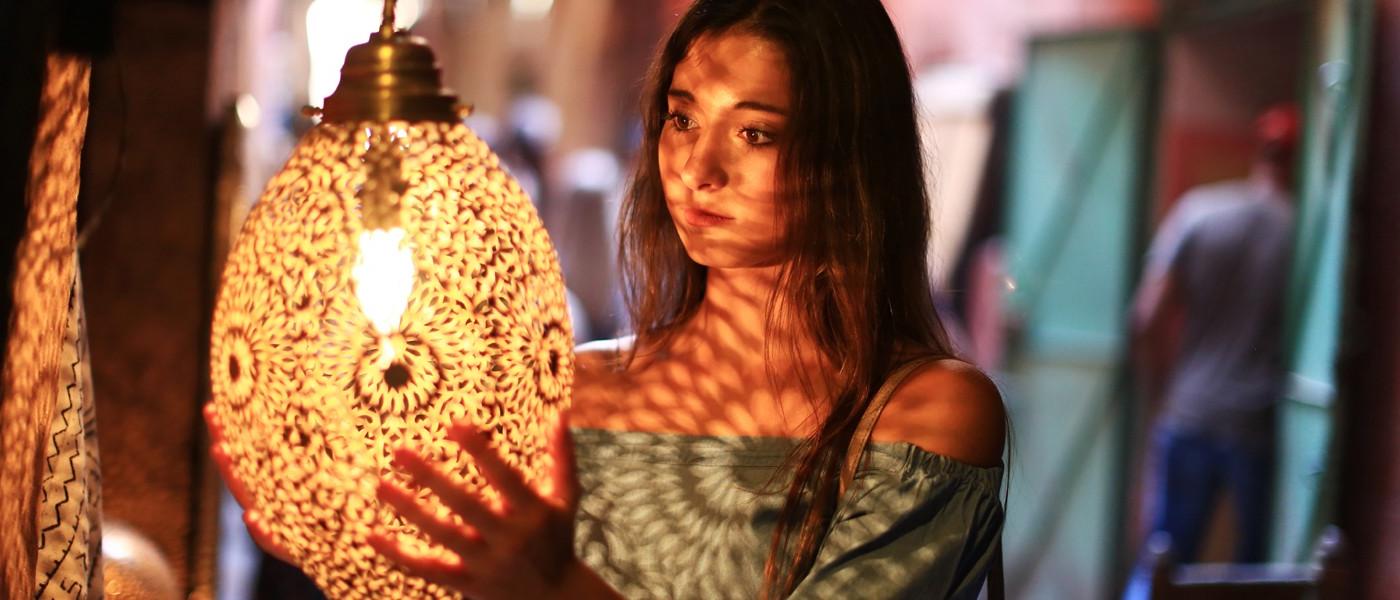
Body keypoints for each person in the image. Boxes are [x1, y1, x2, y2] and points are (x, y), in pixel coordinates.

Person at [213, 0, 1007, 598]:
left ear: (848, 159)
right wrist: (334, 534)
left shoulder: (919, 414)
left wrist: (560, 587)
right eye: (682, 118)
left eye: (755, 133)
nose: (699, 168)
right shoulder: (572, 391)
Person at [1129, 104, 1300, 569]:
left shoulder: (1198, 212)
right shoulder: (1303, 233)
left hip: (1191, 409)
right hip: (1256, 423)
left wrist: (1165, 390)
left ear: (1257, 151)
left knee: (1163, 560)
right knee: (1255, 574)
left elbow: (1146, 316)